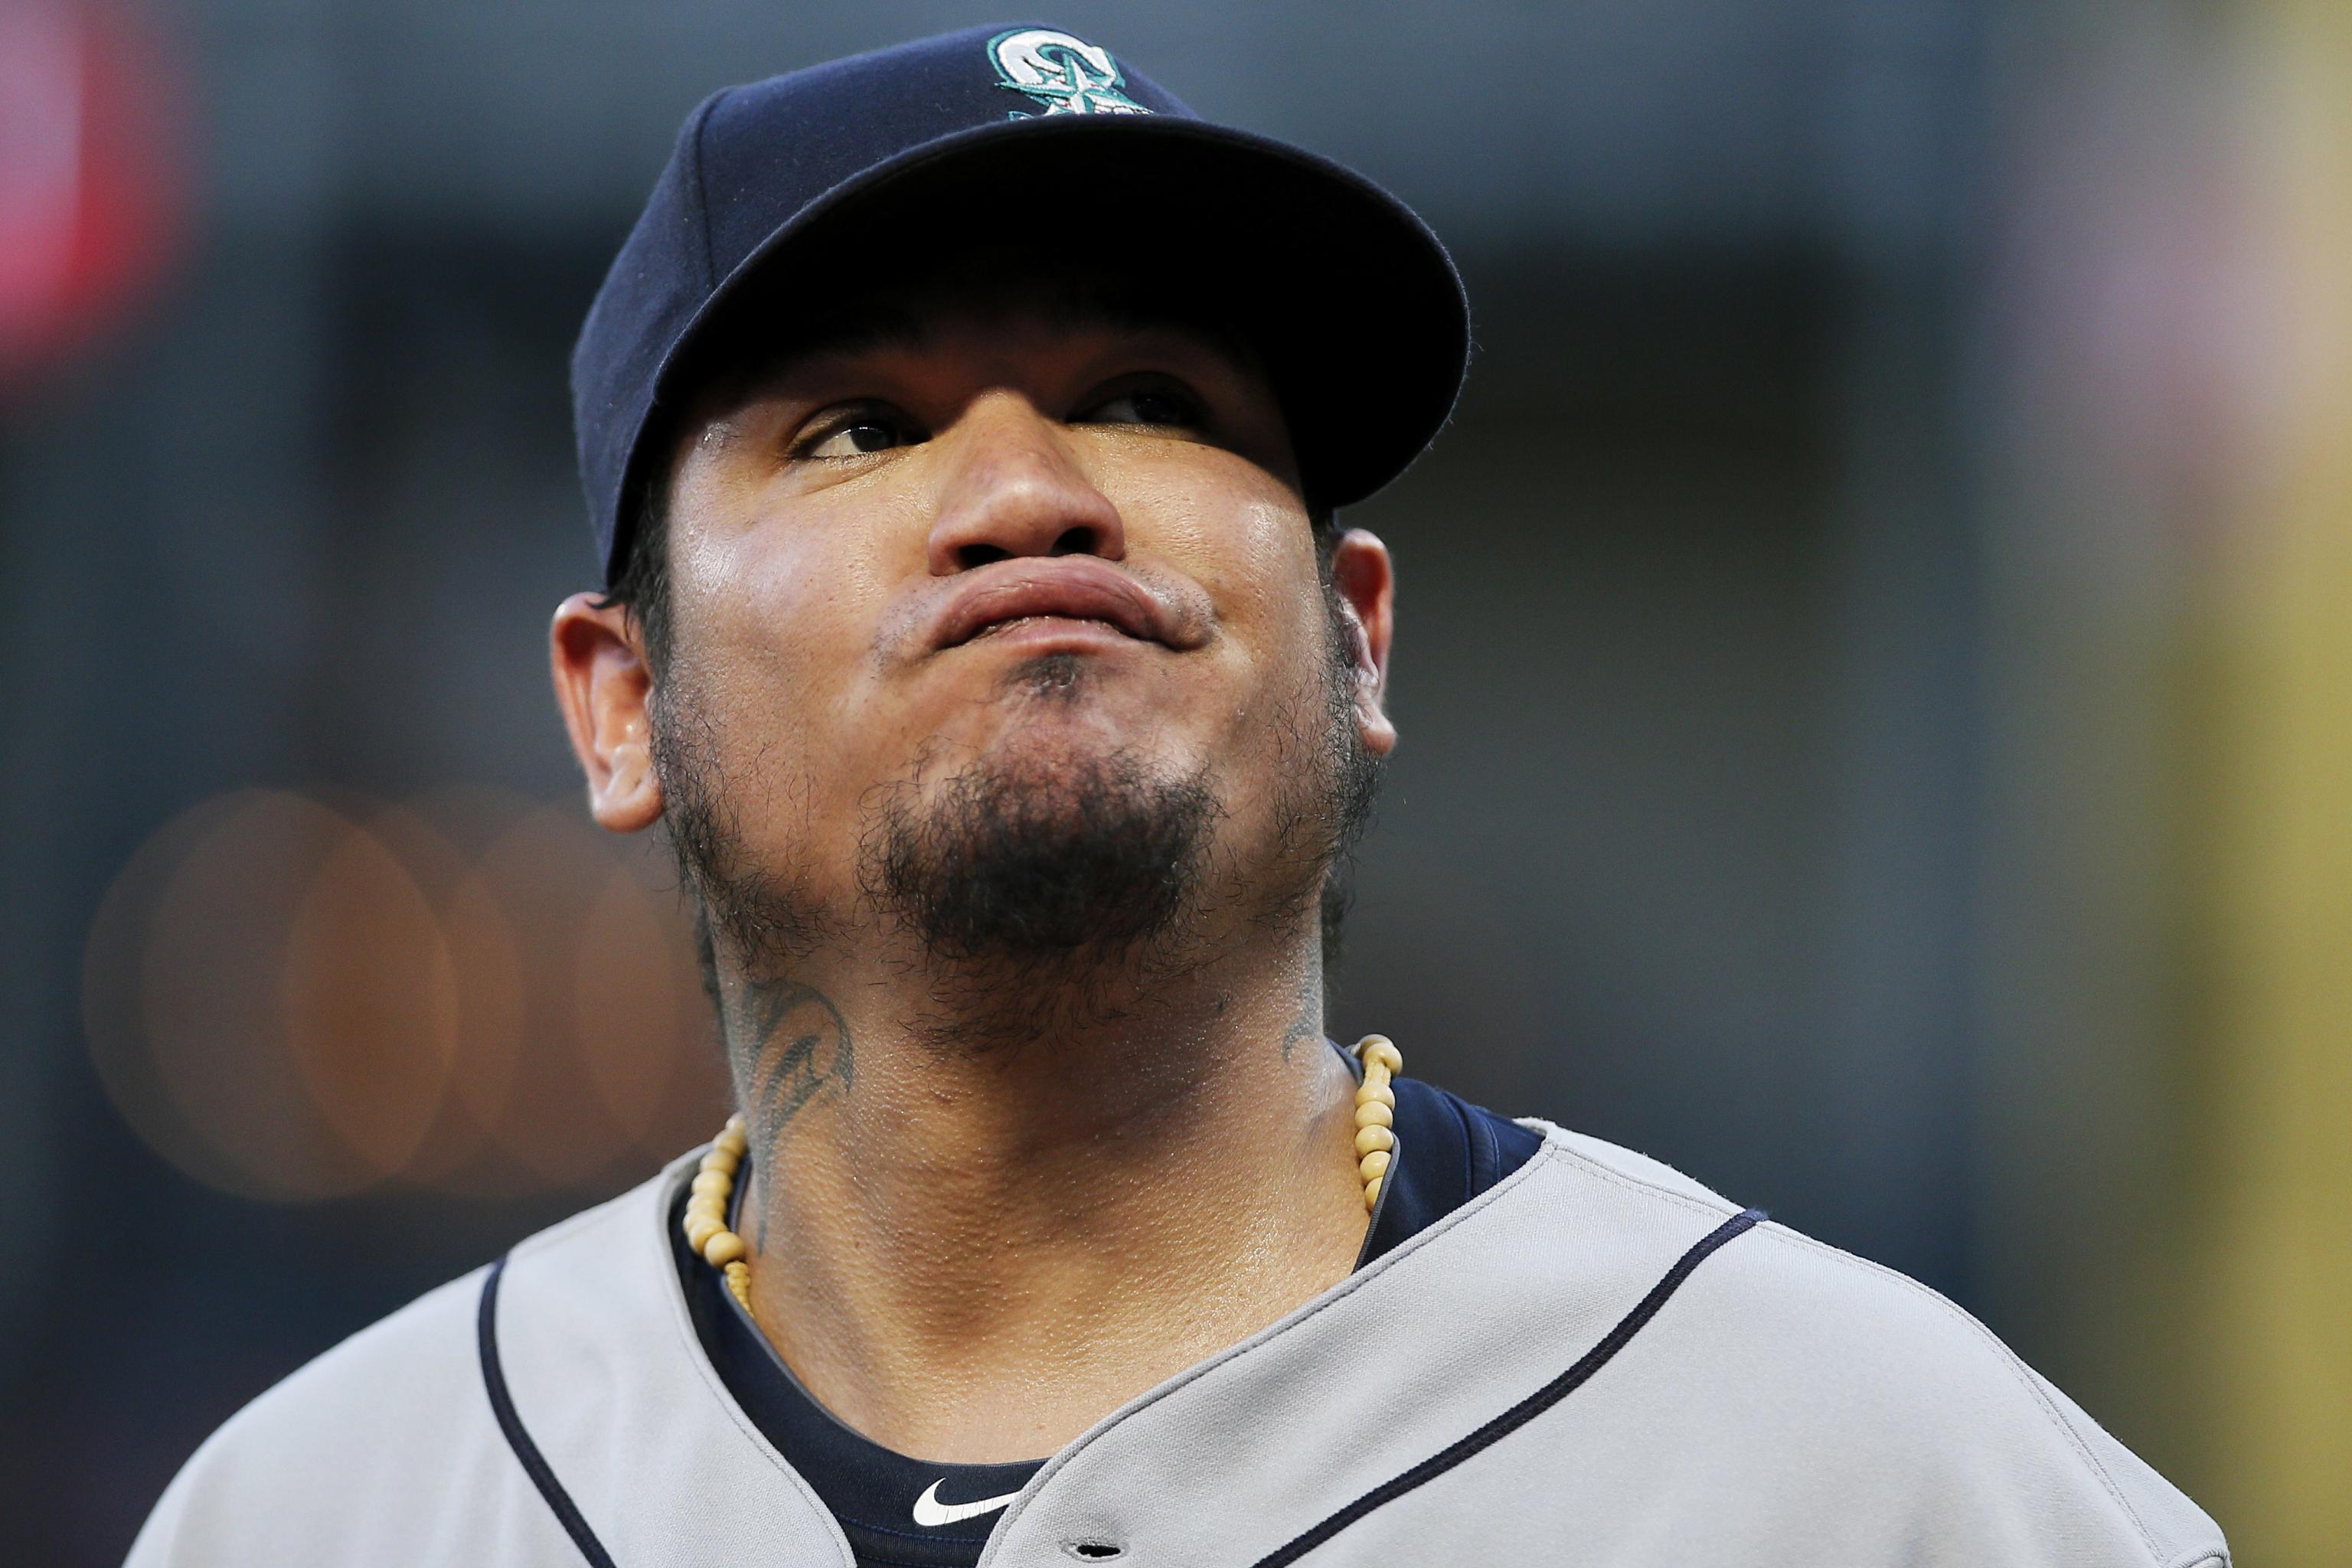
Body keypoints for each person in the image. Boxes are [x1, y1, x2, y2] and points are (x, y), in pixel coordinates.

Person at [127, 24, 2228, 1568]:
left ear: (1358, 637)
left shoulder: (1873, 1476)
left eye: (1155, 401)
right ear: (619, 702)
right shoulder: (328, 1506)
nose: (1034, 494)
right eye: (859, 425)